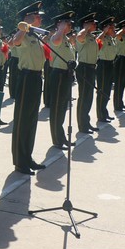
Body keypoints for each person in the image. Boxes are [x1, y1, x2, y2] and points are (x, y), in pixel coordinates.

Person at [11, 2, 47, 175]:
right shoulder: (24, 35)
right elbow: (14, 41)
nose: (40, 18)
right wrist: (24, 27)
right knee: (22, 120)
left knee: (31, 120)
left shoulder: (35, 36)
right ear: (29, 17)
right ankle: (20, 161)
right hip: (26, 78)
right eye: (37, 16)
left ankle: (27, 156)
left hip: (36, 78)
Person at [48, 11, 77, 149]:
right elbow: (55, 41)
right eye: (67, 23)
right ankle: (57, 139)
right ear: (60, 24)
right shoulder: (57, 36)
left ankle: (61, 137)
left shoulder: (66, 38)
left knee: (63, 108)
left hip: (66, 74)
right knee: (57, 108)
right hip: (58, 75)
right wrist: (60, 28)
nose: (70, 25)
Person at [75, 13, 100, 134]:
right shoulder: (82, 35)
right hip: (84, 68)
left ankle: (86, 121)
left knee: (89, 98)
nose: (95, 25)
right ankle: (82, 125)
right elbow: (79, 37)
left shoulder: (91, 36)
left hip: (91, 68)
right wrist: (85, 27)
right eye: (92, 23)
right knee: (84, 97)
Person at [95, 17, 117, 122]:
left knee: (107, 90)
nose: (114, 30)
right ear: (106, 28)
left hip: (110, 64)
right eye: (111, 28)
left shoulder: (111, 39)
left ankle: (104, 112)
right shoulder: (102, 37)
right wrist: (104, 31)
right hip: (103, 64)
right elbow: (97, 41)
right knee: (102, 90)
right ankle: (100, 114)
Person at [113, 18, 125, 112]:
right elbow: (117, 34)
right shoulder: (120, 36)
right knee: (119, 84)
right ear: (124, 27)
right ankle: (117, 105)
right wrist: (123, 29)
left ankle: (120, 103)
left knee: (123, 84)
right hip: (121, 60)